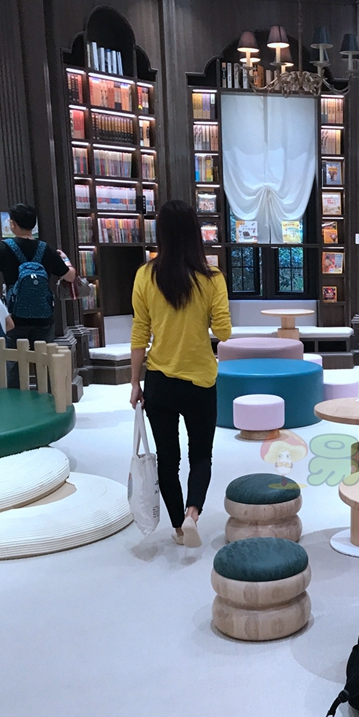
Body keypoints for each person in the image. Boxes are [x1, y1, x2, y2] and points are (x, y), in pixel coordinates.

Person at [129, 199, 232, 547]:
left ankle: (176, 528)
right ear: (195, 233)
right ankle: (192, 514)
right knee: (201, 455)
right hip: (200, 380)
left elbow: (139, 333)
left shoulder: (145, 275)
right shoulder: (212, 278)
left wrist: (134, 382)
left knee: (167, 459)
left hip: (159, 381)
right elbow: (224, 332)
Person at [0, 203, 76, 385]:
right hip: (43, 316)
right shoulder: (47, 249)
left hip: (15, 317)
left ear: (12, 224)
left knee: (14, 363)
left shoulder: (3, 248)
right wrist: (66, 260)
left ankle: (15, 401)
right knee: (45, 363)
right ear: (34, 224)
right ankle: (48, 399)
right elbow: (70, 276)